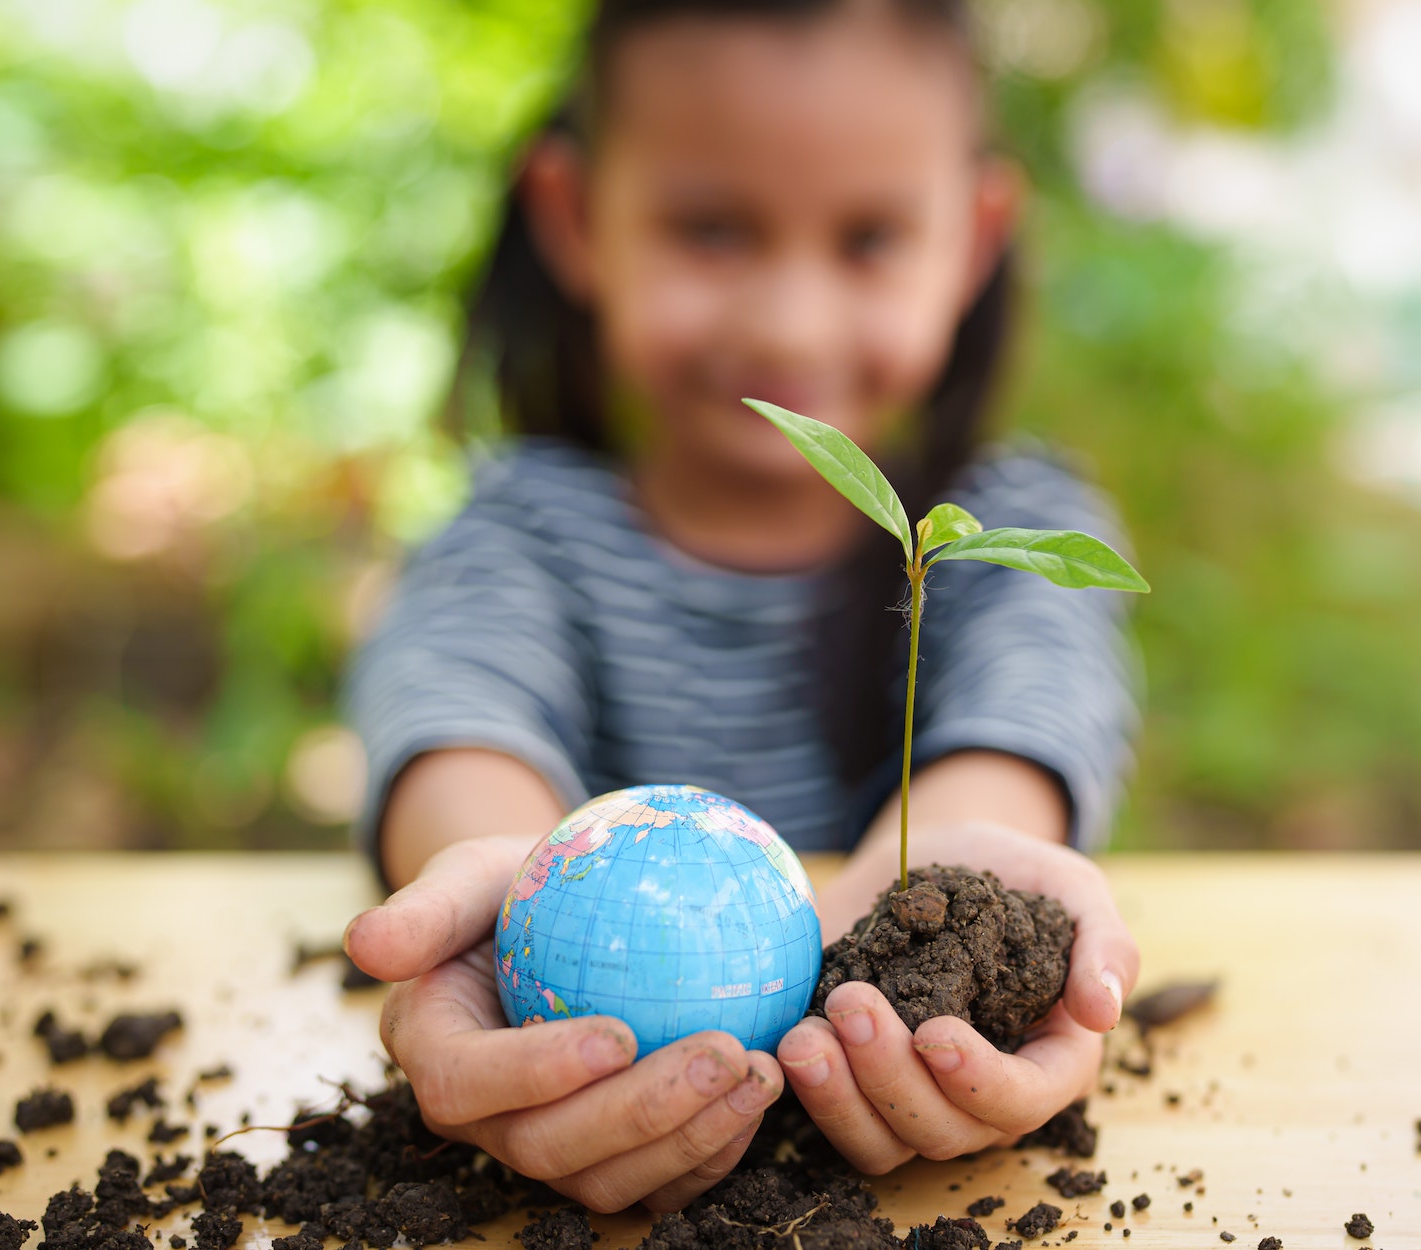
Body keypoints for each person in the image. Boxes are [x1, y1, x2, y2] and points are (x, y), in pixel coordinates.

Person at [340, 0, 1142, 1217]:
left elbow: (1030, 714)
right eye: (711, 230)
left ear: (972, 240)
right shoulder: (517, 534)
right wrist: (503, 885)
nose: (789, 322)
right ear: (572, 216)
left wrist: (961, 906)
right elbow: (458, 716)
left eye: (869, 237)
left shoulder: (994, 526)